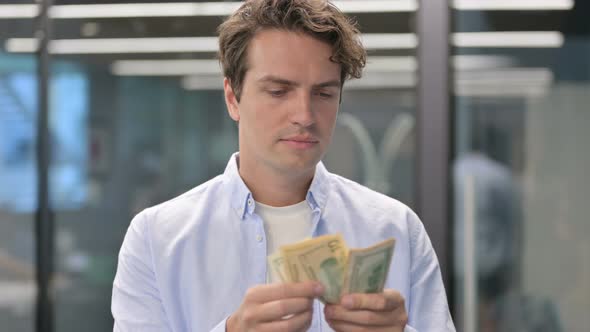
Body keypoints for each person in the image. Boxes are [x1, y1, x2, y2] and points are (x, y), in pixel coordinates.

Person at [111, 0, 455, 331]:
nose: (304, 116)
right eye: (278, 91)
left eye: (323, 94)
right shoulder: (156, 239)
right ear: (233, 98)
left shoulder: (396, 228)